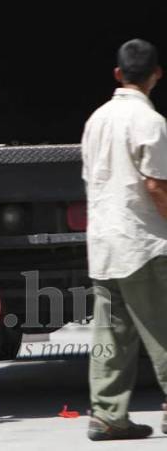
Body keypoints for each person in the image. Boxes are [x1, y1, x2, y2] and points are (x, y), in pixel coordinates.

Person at [81, 38, 167, 441]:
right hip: (141, 242)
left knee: (111, 334)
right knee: (161, 327)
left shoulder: (96, 118)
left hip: (102, 243)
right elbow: (155, 184)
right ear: (157, 76)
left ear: (117, 74)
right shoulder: (151, 122)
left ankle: (107, 415)